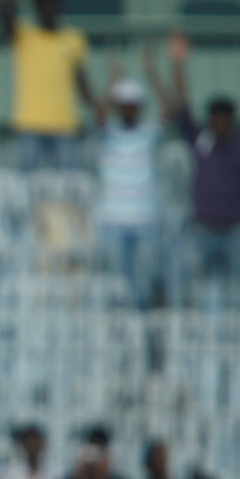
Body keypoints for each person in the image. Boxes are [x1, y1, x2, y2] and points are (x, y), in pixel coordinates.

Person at [169, 32, 240, 278]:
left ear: (232, 122)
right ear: (209, 121)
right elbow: (183, 106)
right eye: (216, 119)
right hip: (204, 229)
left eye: (225, 120)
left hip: (236, 230)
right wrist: (178, 62)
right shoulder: (200, 141)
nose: (220, 124)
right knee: (201, 291)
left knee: (238, 293)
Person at [0, 0, 95, 171]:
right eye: (42, 4)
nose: (48, 9)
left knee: (70, 186)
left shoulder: (74, 38)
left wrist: (94, 106)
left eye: (51, 4)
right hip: (30, 123)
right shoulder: (25, 35)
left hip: (65, 123)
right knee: (26, 188)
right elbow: (3, 14)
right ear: (35, 8)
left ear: (59, 7)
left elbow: (81, 80)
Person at [93, 58, 169, 309]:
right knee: (115, 287)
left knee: (144, 287)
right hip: (113, 221)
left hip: (145, 221)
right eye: (124, 105)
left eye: (133, 106)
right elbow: (99, 115)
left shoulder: (149, 133)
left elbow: (170, 109)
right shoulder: (108, 134)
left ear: (140, 108)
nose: (128, 110)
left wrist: (152, 72)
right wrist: (112, 85)